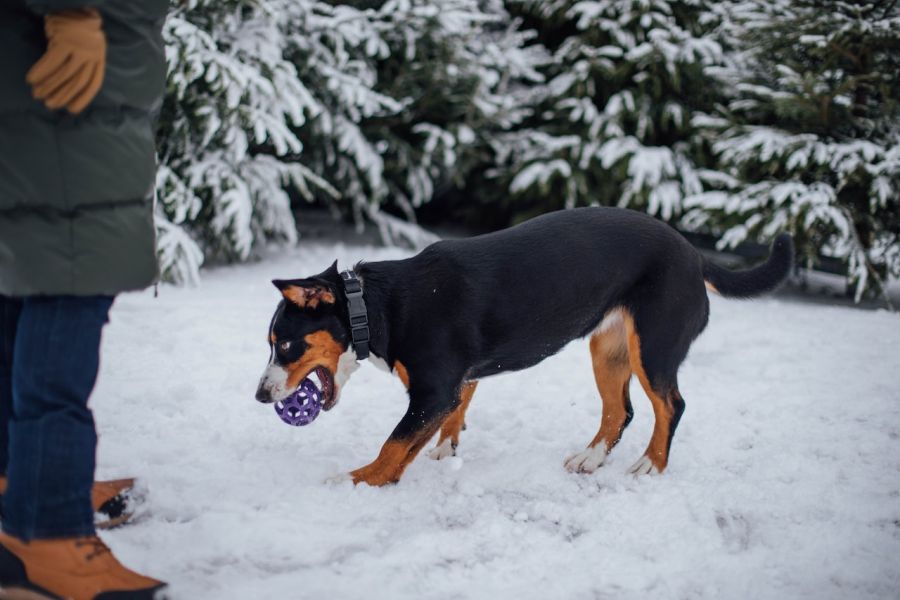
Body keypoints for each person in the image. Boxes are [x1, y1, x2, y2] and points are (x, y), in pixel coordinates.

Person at [0, 0, 169, 598]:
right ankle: (43, 534)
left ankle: (20, 485)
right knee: (62, 295)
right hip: (72, 106)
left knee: (21, 291)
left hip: (57, 94)